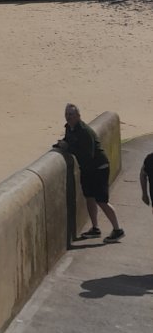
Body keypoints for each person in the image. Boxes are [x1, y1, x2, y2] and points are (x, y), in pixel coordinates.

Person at [54, 103, 124, 242]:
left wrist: (68, 148)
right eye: (67, 114)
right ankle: (95, 228)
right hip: (87, 169)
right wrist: (62, 144)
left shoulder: (84, 132)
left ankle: (118, 229)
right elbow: (68, 140)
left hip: (99, 168)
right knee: (89, 198)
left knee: (101, 201)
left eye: (71, 114)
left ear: (78, 116)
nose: (68, 117)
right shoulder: (69, 128)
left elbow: (87, 154)